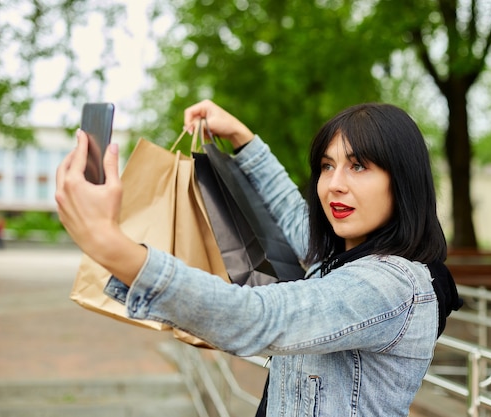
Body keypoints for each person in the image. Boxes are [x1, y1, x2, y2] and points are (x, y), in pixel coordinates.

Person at [56, 100, 461, 417]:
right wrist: (241, 138)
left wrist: (111, 244)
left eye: (358, 166)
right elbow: (289, 211)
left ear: (403, 181)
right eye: (327, 166)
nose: (334, 185)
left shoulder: (388, 286)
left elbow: (257, 317)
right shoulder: (339, 257)